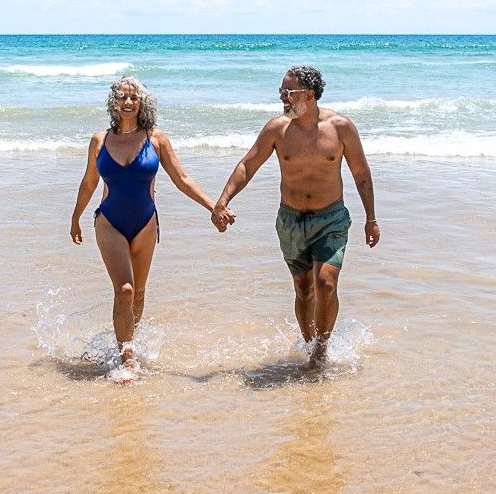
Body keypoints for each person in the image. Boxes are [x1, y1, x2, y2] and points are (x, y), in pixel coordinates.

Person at [212, 65, 380, 368]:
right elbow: (247, 166)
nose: (282, 97)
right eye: (281, 91)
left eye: (288, 92)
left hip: (331, 219)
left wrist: (371, 218)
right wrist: (222, 201)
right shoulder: (277, 129)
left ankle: (321, 349)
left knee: (325, 283)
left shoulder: (341, 128)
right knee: (304, 290)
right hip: (290, 220)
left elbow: (361, 174)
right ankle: (307, 343)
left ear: (309, 94)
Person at [69, 76, 229, 378]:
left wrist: (214, 207)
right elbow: (90, 182)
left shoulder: (156, 139)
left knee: (139, 293)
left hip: (145, 223)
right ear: (113, 102)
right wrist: (75, 217)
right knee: (125, 290)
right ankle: (126, 358)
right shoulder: (99, 140)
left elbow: (182, 179)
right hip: (109, 221)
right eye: (122, 97)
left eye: (133, 98)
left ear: (143, 103)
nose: (127, 103)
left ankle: (127, 341)